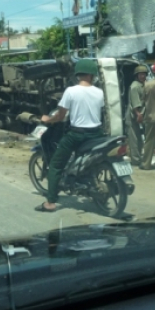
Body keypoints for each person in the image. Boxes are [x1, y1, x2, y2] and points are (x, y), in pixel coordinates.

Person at [37, 59, 104, 212]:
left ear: (78, 74)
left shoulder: (71, 91)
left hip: (77, 134)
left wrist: (48, 119)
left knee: (55, 165)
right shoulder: (99, 92)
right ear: (92, 75)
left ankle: (50, 202)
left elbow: (60, 116)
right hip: (96, 134)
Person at [126, 65, 147, 166]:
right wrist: (139, 115)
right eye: (141, 74)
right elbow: (135, 104)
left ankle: (138, 157)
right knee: (134, 139)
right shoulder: (135, 86)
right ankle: (135, 160)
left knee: (139, 139)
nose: (143, 76)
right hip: (133, 115)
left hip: (140, 114)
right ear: (137, 75)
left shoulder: (143, 85)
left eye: (144, 74)